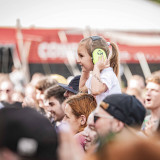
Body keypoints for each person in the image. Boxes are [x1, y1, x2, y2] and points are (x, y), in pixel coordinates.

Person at [77, 36, 121, 104]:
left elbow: (96, 90)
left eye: (81, 56)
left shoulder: (107, 74)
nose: (78, 60)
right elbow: (82, 89)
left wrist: (96, 67)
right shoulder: (96, 75)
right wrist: (85, 70)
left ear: (96, 56)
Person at [141, 71, 160, 136]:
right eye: (147, 89)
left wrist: (152, 138)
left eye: (154, 90)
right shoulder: (146, 119)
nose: (148, 93)